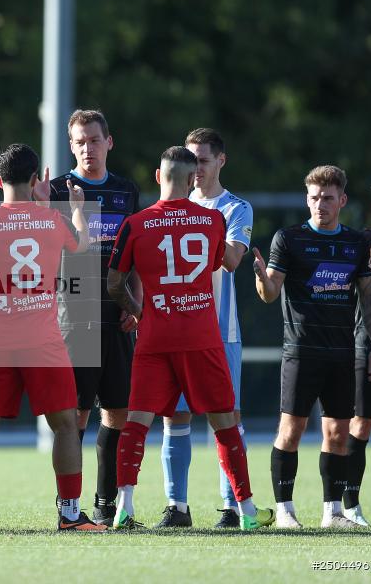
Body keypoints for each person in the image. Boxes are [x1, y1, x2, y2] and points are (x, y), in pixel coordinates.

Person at [107, 146, 274, 531]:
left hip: (155, 336)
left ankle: (124, 508)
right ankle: (247, 512)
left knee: (137, 421)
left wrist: (139, 310)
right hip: (201, 335)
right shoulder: (213, 220)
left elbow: (114, 282)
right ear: (191, 179)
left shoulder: (136, 223)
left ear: (157, 176)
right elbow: (221, 262)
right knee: (224, 422)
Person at [0, 143, 106, 532]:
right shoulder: (53, 221)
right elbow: (84, 243)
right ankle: (70, 516)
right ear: (36, 180)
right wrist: (74, 211)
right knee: (66, 426)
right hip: (44, 344)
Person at [253, 165, 371, 528]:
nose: (320, 205)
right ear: (306, 199)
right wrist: (262, 281)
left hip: (342, 354)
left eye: (328, 198)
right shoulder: (289, 238)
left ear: (341, 200)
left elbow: (370, 300)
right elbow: (270, 294)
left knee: (338, 434)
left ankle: (333, 512)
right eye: (314, 198)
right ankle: (285, 510)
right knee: (291, 430)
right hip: (300, 352)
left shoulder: (356, 243)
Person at [157, 128, 254, 528]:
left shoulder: (235, 209)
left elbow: (231, 261)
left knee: (225, 415)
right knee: (174, 419)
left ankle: (232, 507)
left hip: (220, 332)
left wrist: (196, 226)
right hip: (177, 329)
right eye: (189, 160)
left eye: (202, 160)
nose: (195, 168)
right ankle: (177, 507)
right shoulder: (169, 206)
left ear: (220, 161)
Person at [48, 109, 140, 525]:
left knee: (118, 412)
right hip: (75, 317)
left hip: (117, 317)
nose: (88, 147)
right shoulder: (55, 191)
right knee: (76, 416)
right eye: (80, 141)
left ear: (109, 142)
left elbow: (134, 256)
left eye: (94, 139)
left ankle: (107, 506)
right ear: (71, 146)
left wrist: (134, 301)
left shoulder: (126, 191)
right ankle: (70, 506)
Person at [347, 174, 371, 526]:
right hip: (368, 343)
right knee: (360, 424)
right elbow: (363, 270)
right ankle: (350, 504)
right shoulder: (365, 240)